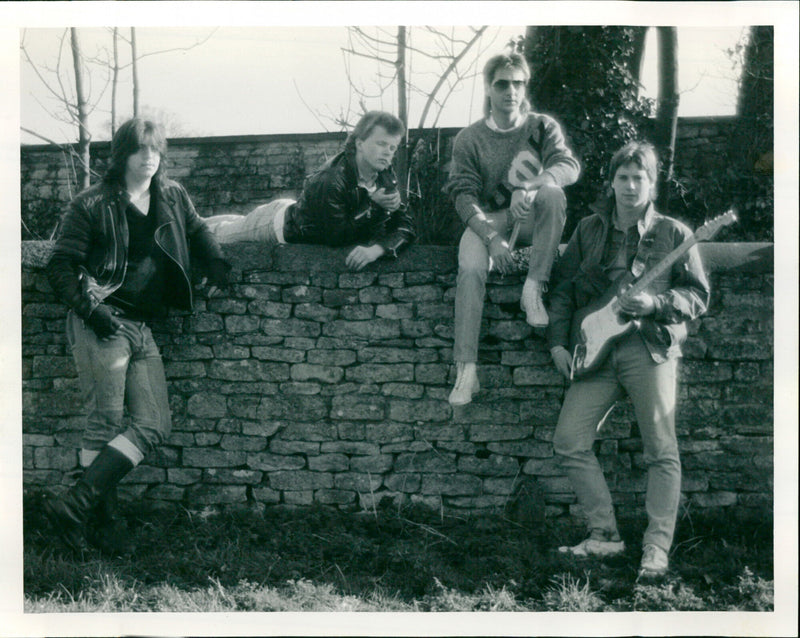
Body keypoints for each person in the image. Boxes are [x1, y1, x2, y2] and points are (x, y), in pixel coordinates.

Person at [44, 117, 230, 556]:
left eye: (155, 149)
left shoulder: (172, 195)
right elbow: (59, 265)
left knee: (155, 423)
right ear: (122, 154)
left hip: (144, 327)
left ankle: (74, 505)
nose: (148, 157)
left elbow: (199, 228)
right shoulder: (91, 204)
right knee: (104, 423)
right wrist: (93, 310)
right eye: (139, 149)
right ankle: (101, 524)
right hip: (102, 322)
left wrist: (216, 261)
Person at [546, 141, 711, 578]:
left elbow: (698, 297)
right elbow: (562, 291)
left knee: (661, 449)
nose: (631, 185)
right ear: (612, 181)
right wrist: (558, 345)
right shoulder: (588, 229)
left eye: (640, 177)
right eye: (624, 176)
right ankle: (604, 535)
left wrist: (656, 304)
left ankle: (656, 547)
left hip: (648, 348)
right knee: (569, 440)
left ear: (652, 183)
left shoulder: (674, 234)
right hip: (595, 352)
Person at [444, 52, 580, 406]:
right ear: (489, 88)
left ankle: (533, 289)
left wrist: (531, 186)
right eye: (502, 83)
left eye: (518, 83)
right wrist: (490, 239)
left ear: (525, 87)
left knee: (552, 194)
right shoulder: (469, 138)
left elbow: (568, 165)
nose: (511, 90)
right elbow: (462, 196)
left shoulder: (541, 126)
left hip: (530, 215)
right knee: (471, 269)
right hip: (487, 222)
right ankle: (467, 369)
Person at [204, 110, 415, 270]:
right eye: (381, 144)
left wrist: (377, 250)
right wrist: (374, 207)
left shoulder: (383, 175)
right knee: (219, 233)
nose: (387, 153)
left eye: (392, 147)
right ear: (360, 143)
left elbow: (406, 227)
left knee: (235, 222)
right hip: (277, 225)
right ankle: (191, 221)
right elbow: (335, 237)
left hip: (299, 212)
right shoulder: (332, 179)